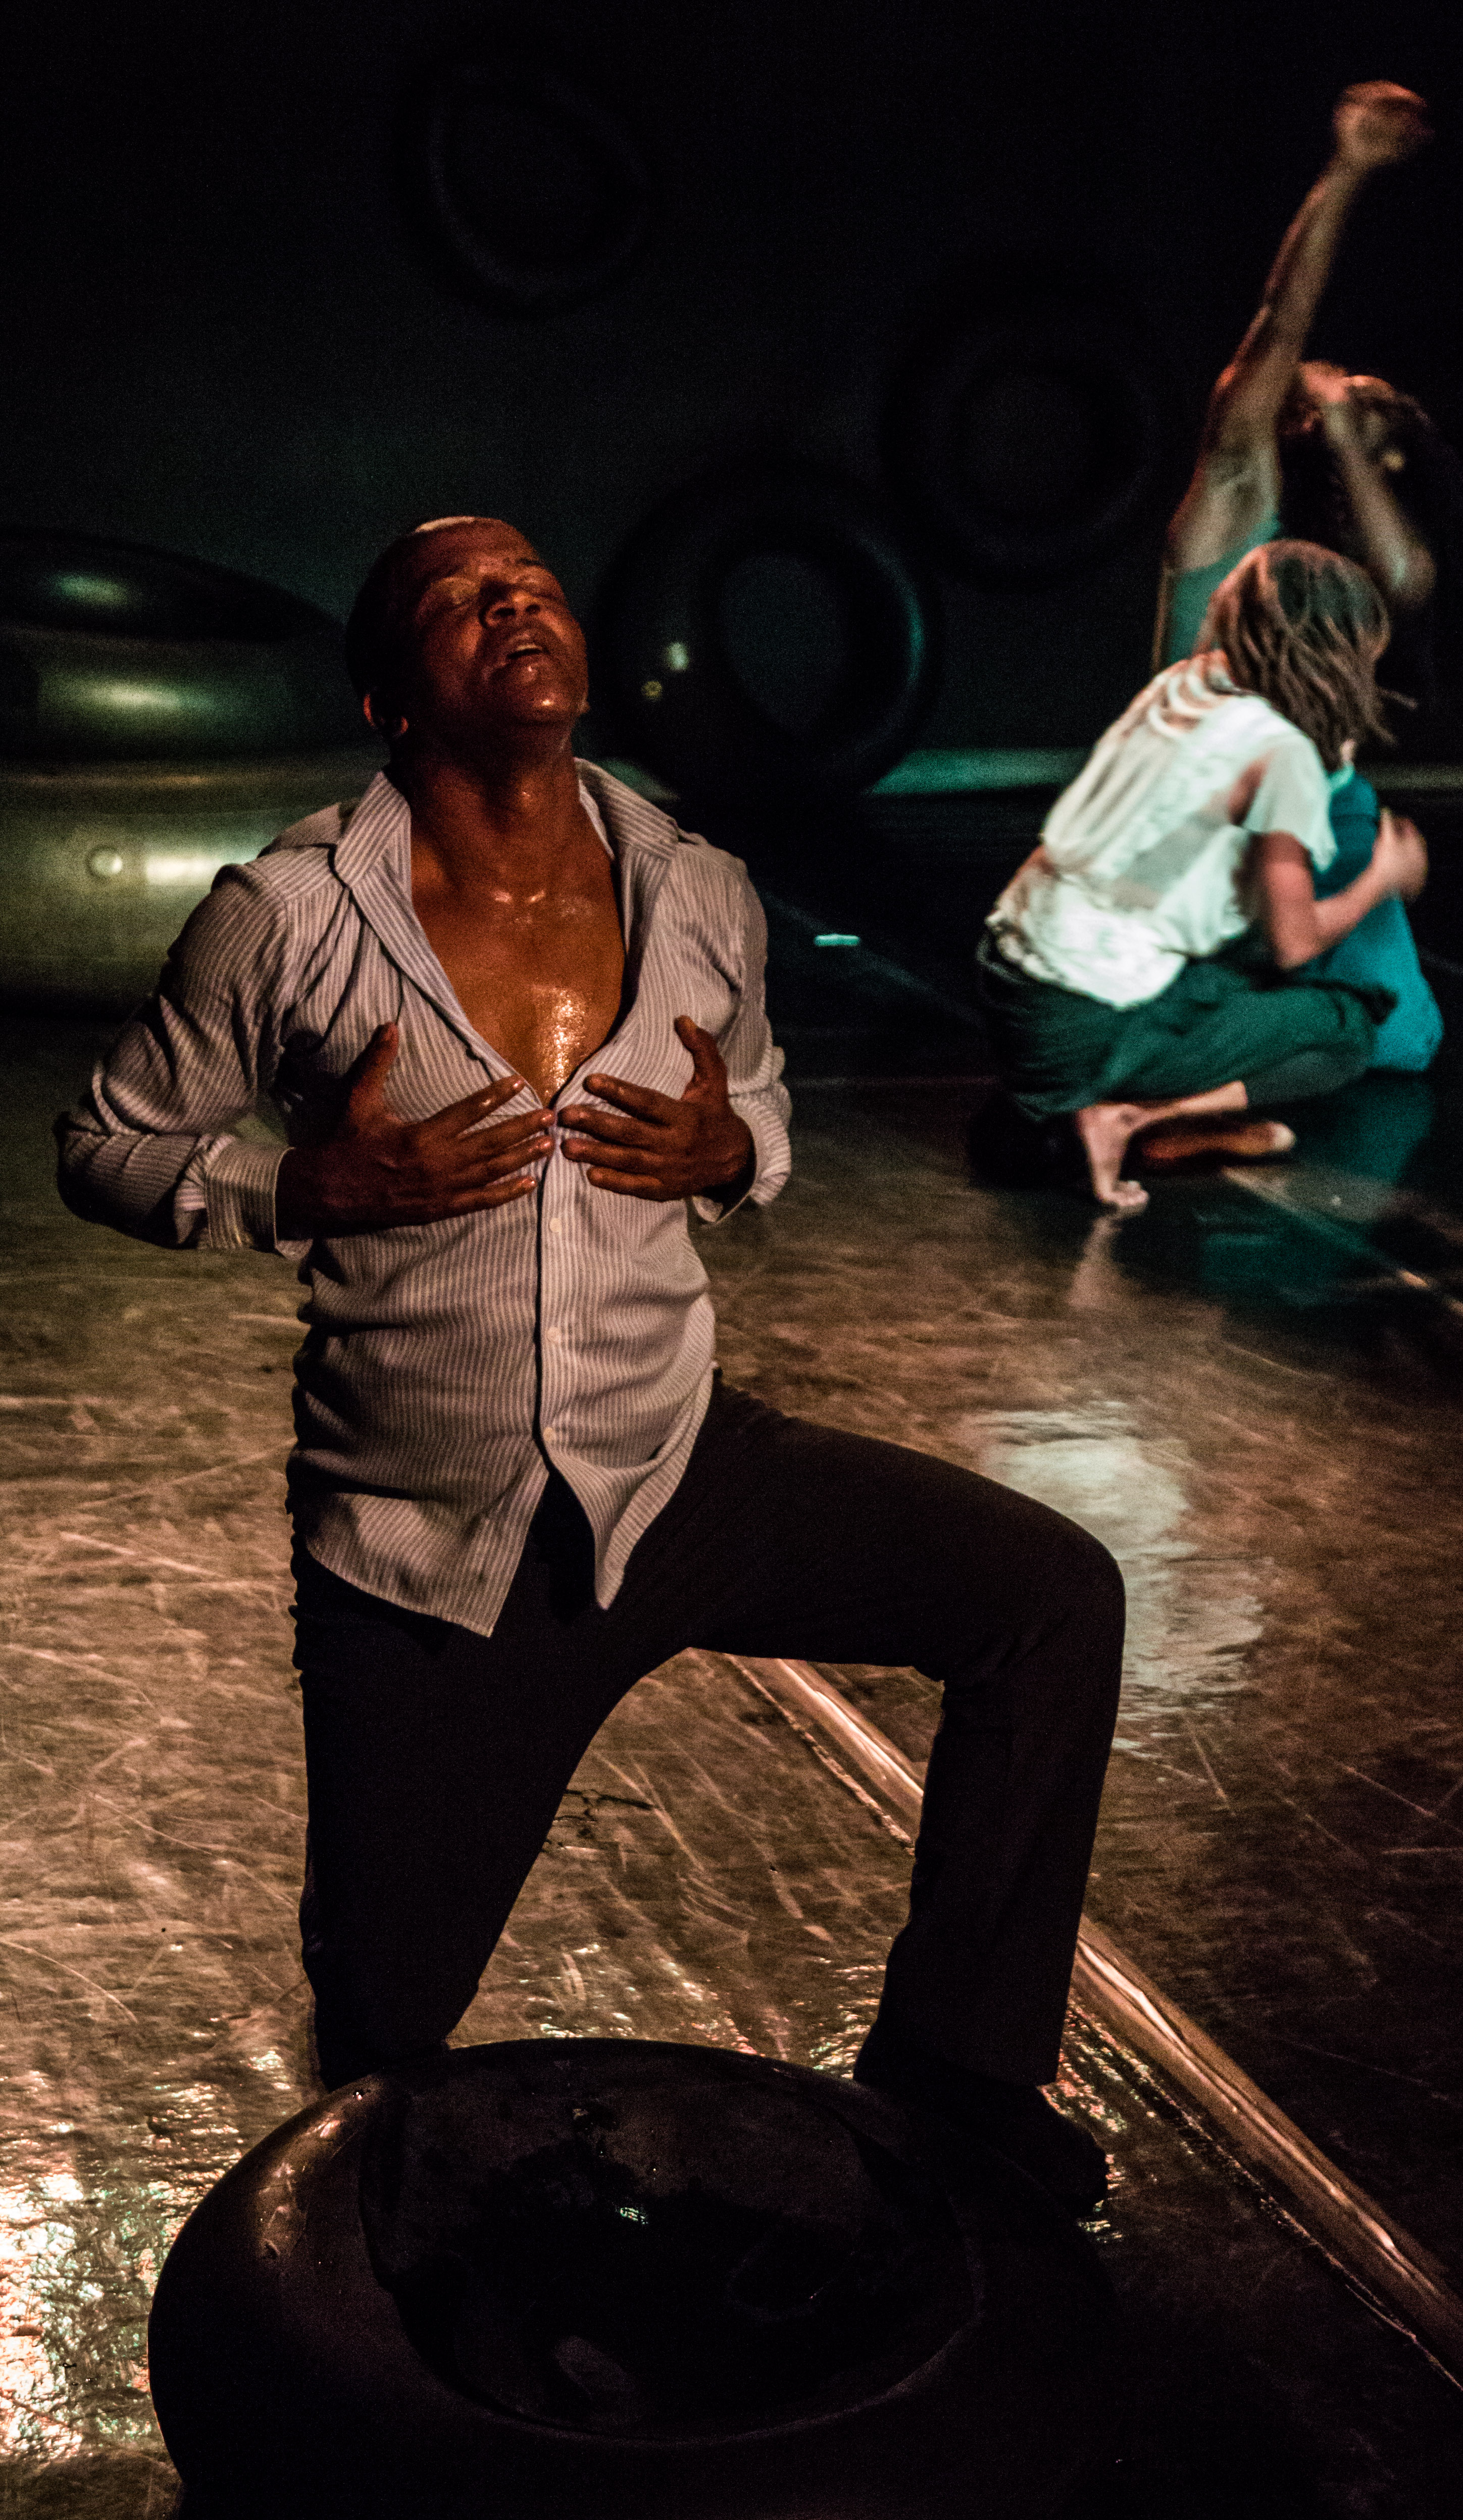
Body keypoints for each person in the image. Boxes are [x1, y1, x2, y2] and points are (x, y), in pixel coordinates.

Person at [56, 515, 1127, 2212]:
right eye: (458, 601)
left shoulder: (698, 887)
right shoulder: (289, 913)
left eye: (532, 586)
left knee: (1049, 1596)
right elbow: (108, 1145)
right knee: (386, 2042)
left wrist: (731, 1148)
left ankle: (959, 2068)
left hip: (680, 1471)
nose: (512, 607)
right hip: (433, 1542)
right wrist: (304, 1186)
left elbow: (755, 1100)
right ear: (388, 700)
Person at [1155, 78, 1463, 1078]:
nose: (1333, 380)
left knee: (1402, 1039)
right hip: (1204, 814)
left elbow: (1406, 576)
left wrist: (1346, 429)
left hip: (1320, 814)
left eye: (1364, 395)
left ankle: (1238, 1041)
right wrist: (1345, 172)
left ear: (1390, 451)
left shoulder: (1370, 561)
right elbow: (1278, 322)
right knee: (1262, 1020)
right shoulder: (1236, 506)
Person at [973, 540, 1429, 1211]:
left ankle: (1117, 1108)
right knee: (1351, 1023)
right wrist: (1383, 877)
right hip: (1079, 1022)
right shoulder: (1280, 756)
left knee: (1242, 948)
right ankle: (1134, 1117)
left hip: (1007, 978)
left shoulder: (1183, 683)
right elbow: (1297, 942)